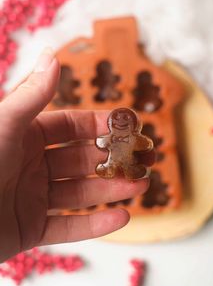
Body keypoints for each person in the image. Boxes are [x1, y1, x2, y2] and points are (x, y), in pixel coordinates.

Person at [0, 48, 149, 263]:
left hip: (128, 159)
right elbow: (101, 141)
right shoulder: (111, 137)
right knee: (111, 165)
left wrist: (141, 143)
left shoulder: (133, 138)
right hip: (111, 158)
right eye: (118, 122)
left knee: (129, 168)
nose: (121, 124)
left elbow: (141, 143)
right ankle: (109, 168)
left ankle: (124, 168)